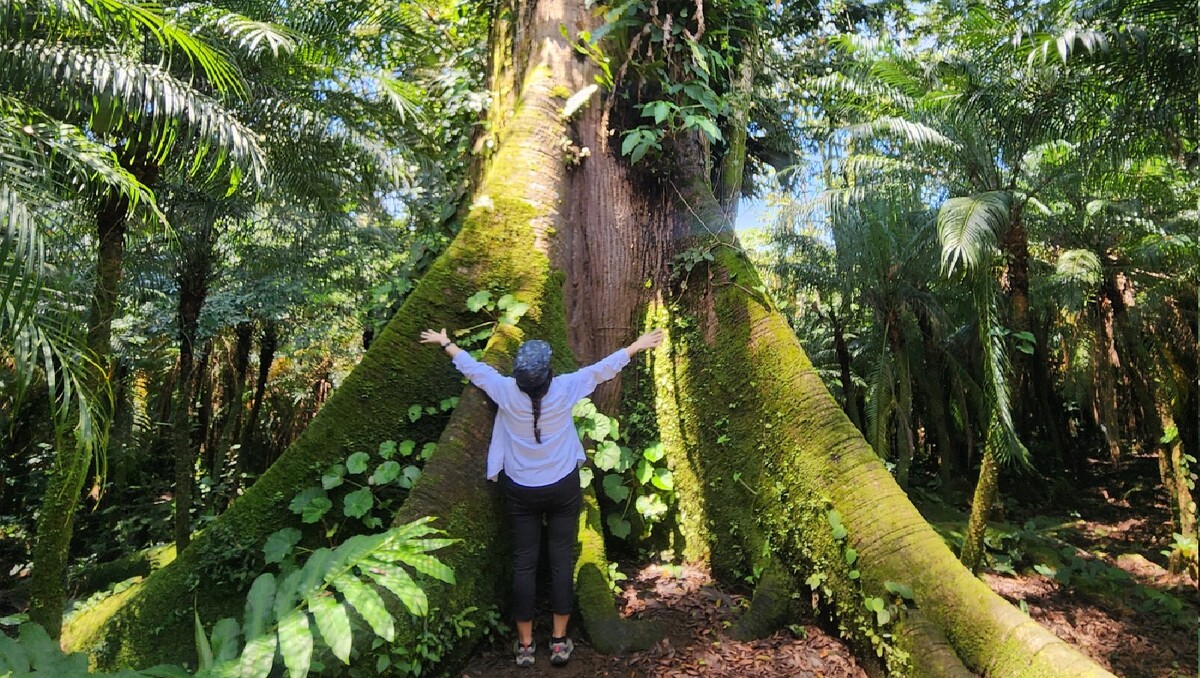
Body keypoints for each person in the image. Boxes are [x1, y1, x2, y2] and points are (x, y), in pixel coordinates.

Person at [419, 326, 665, 667]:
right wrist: (637, 345)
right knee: (562, 561)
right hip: (562, 487)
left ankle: (525, 645)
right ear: (548, 374)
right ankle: (560, 641)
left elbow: (475, 369)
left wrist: (445, 343)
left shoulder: (505, 391)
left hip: (520, 490)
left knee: (525, 563)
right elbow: (603, 369)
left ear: (519, 377)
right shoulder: (564, 389)